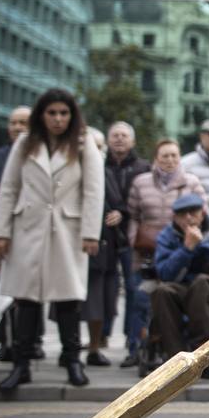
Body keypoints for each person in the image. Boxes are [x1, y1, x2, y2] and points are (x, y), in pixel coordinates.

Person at [0, 89, 104, 392]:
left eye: (63, 113)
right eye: (52, 113)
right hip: (27, 227)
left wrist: (91, 233)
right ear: (42, 114)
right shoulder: (25, 143)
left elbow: (94, 191)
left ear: (72, 116)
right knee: (25, 300)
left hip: (69, 229)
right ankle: (21, 365)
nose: (57, 119)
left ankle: (73, 362)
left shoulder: (83, 144)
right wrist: (0, 233)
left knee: (69, 300)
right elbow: (8, 188)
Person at [126, 140, 206, 360]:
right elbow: (132, 215)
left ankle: (173, 345)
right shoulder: (141, 182)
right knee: (140, 299)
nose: (170, 160)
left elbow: (202, 212)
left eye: (174, 156)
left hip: (179, 248)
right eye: (165, 156)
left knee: (171, 298)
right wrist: (134, 239)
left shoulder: (191, 182)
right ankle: (137, 347)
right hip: (146, 251)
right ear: (156, 158)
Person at [149, 193, 209, 369]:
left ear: (202, 213)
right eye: (182, 214)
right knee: (161, 291)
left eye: (193, 213)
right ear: (175, 217)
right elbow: (164, 273)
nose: (188, 218)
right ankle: (176, 358)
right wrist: (186, 249)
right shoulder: (167, 237)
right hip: (181, 287)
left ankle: (204, 353)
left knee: (201, 282)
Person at [105, 121, 150, 367]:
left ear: (132, 141)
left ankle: (133, 344)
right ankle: (100, 340)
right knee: (104, 291)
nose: (119, 139)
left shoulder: (144, 168)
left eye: (124, 135)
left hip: (133, 240)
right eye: (115, 135)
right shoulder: (98, 166)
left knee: (134, 291)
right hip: (104, 238)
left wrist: (122, 213)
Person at [82, 128, 125, 367]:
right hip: (74, 246)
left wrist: (119, 214)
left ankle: (94, 345)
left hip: (103, 247)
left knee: (99, 299)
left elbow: (119, 205)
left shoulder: (105, 174)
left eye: (99, 148)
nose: (95, 152)